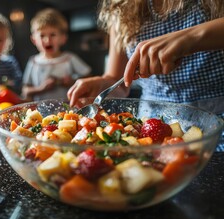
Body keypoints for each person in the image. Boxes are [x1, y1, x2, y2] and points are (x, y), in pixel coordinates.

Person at [67, 0, 224, 150]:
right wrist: (103, 83)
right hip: (147, 130)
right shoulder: (120, 6)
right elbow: (118, 81)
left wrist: (191, 37)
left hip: (217, 125)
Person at [22, 8, 91, 101]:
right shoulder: (33, 62)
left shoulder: (69, 58)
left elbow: (89, 78)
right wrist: (41, 88)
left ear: (63, 38)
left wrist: (72, 82)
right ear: (34, 39)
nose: (47, 40)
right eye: (42, 35)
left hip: (67, 111)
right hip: (40, 113)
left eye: (53, 35)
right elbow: (25, 91)